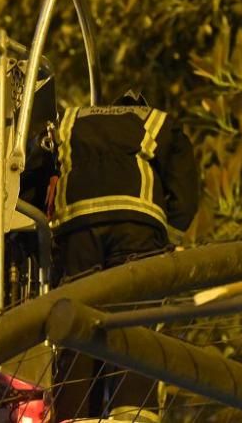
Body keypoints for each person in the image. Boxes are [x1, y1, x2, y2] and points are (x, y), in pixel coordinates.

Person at [47, 89, 199, 422]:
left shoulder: (70, 120)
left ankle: (74, 414)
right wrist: (169, 237)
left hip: (78, 229)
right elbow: (185, 187)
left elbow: (35, 176)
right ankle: (134, 413)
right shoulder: (157, 120)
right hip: (136, 225)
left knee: (78, 321)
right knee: (134, 320)